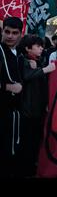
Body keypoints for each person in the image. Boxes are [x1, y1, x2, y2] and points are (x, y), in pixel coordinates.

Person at [18, 35, 56, 177]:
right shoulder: (23, 61)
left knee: (35, 142)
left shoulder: (37, 61)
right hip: (28, 111)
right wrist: (46, 69)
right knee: (28, 143)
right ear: (28, 48)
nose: (41, 48)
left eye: (42, 46)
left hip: (38, 110)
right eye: (38, 46)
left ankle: (33, 167)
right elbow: (27, 76)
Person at [0, 17, 25, 177]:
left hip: (13, 113)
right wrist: (8, 86)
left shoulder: (17, 54)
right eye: (7, 32)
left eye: (14, 33)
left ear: (20, 35)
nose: (10, 36)